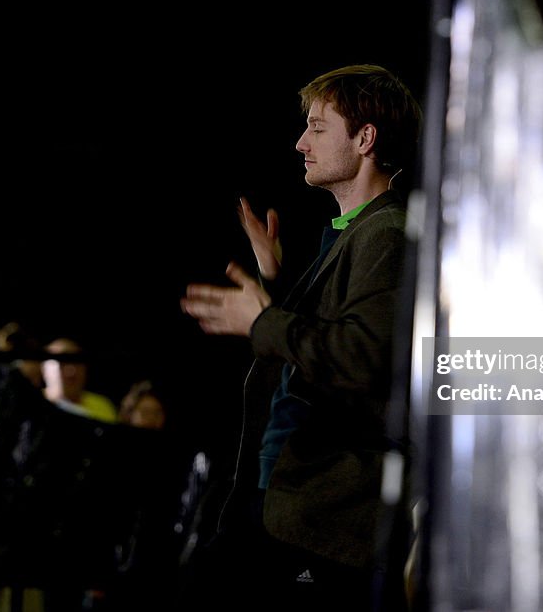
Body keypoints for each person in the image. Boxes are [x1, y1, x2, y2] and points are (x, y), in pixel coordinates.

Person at [179, 64, 421, 611]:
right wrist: (278, 284)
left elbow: (363, 358)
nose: (299, 143)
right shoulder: (353, 231)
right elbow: (323, 342)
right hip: (280, 502)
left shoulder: (387, 234)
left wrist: (263, 319)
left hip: (317, 519)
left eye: (316, 127)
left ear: (365, 139)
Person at [42, 337, 118, 423]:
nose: (71, 371)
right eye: (63, 361)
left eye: (77, 362)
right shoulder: (32, 405)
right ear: (45, 368)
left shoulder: (103, 407)